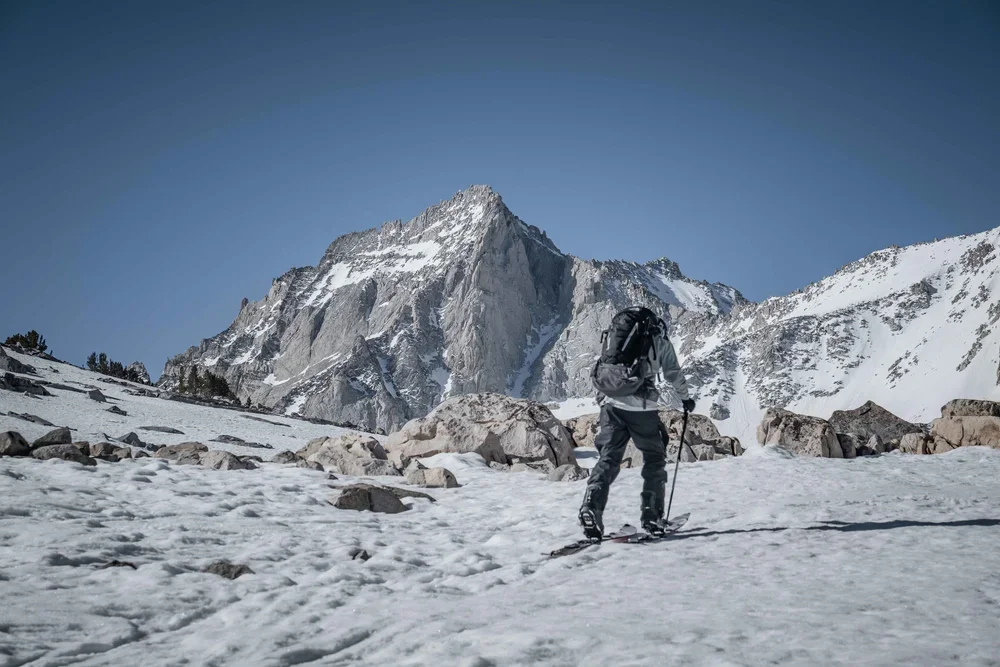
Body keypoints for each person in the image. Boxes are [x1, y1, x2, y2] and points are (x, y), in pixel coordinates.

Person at [579, 307, 694, 540]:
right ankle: (652, 516)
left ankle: (591, 505)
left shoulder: (615, 340)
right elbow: (673, 373)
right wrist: (686, 399)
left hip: (610, 405)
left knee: (608, 458)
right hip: (641, 409)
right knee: (654, 458)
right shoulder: (659, 341)